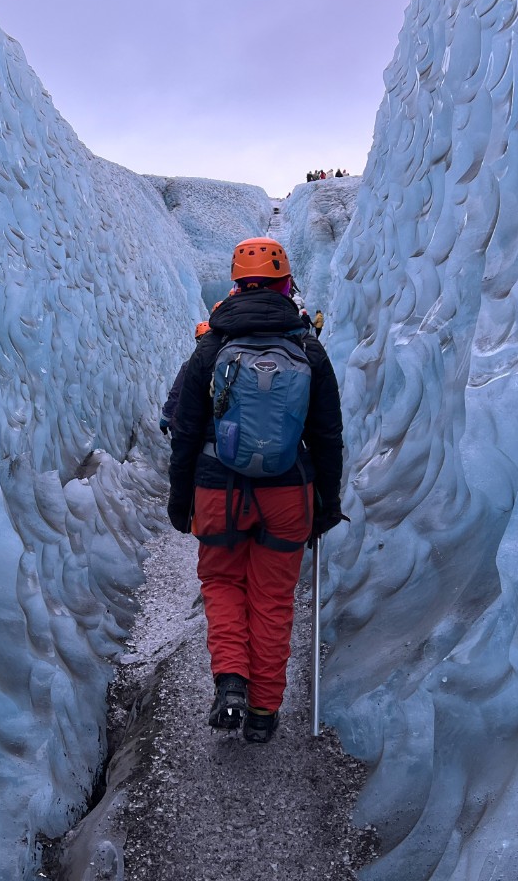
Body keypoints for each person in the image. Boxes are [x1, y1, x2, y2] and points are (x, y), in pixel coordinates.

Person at [168, 239, 345, 743]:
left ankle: (230, 682)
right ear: (286, 285)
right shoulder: (309, 349)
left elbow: (185, 431)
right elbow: (328, 435)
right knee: (272, 599)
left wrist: (182, 502)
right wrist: (326, 507)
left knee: (223, 585)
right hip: (288, 493)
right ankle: (265, 714)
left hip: (217, 491)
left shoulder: (211, 348)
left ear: (236, 286)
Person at [160, 321, 210, 434]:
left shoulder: (190, 365)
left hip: (189, 424)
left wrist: (166, 417)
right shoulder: (226, 362)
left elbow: (176, 393)